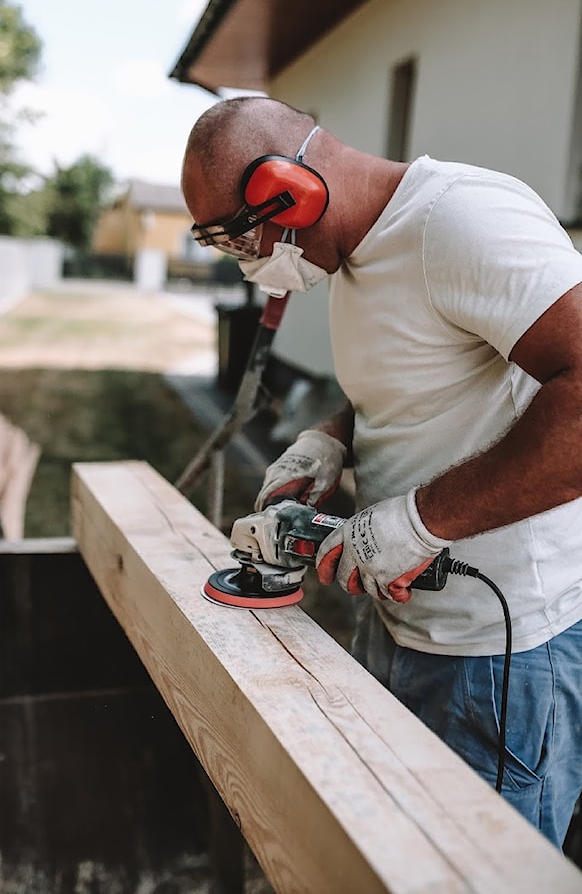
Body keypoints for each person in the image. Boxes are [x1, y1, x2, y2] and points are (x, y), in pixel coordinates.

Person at [180, 96, 582, 848]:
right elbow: (419, 385)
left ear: (290, 193)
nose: (251, 267)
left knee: (478, 868)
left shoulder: (461, 222)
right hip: (405, 620)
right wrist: (329, 439)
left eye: (242, 241)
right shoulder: (359, 254)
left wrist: (425, 521)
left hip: (498, 654)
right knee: (397, 857)